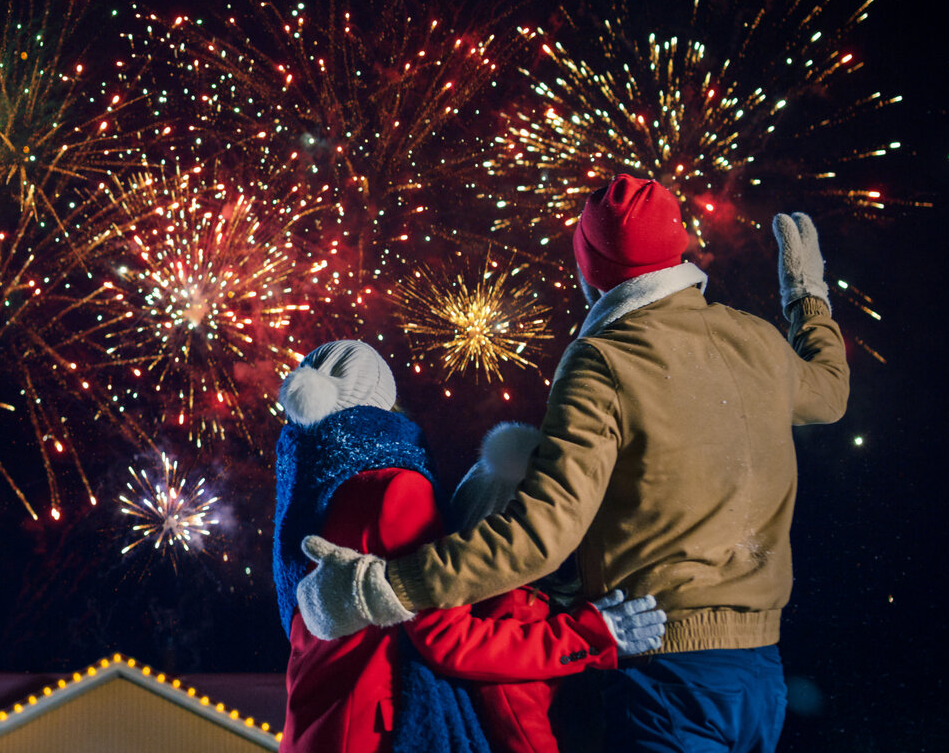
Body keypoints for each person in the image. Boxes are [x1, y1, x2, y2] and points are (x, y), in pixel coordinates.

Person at [294, 175, 850, 752]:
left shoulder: (606, 359)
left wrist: (385, 587)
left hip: (666, 673)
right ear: (678, 245)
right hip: (760, 674)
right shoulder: (755, 339)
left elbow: (541, 535)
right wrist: (807, 297)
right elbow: (830, 394)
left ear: (591, 268)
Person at [274, 340, 666, 753]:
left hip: (312, 729)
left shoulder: (303, 496)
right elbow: (446, 638)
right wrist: (587, 636)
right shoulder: (396, 487)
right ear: (383, 402)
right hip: (376, 733)